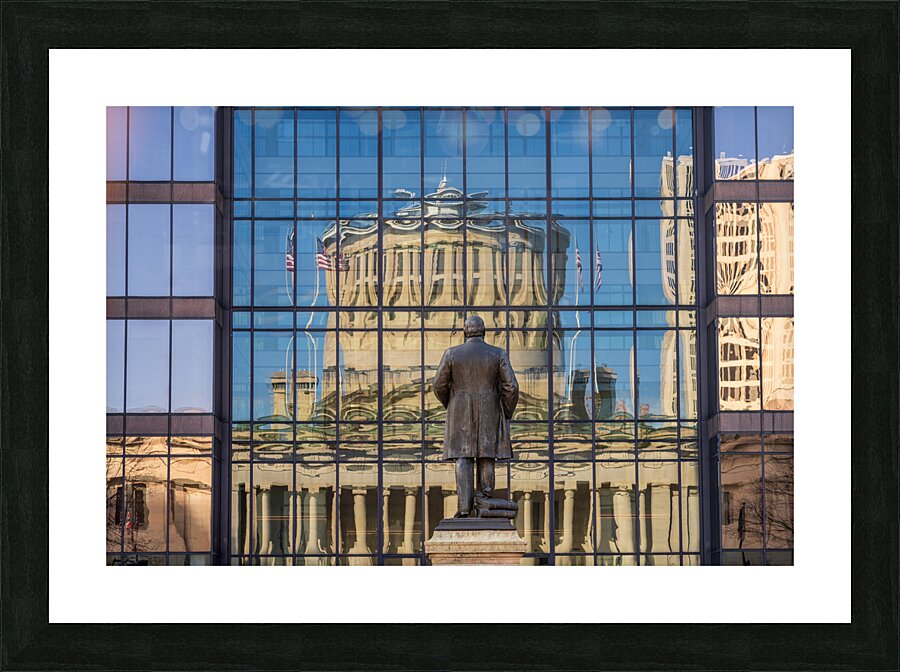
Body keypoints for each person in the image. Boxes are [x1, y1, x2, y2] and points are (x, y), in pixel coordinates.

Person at [432, 315, 519, 517]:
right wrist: (505, 411)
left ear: (465, 332)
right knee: (486, 457)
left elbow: (438, 384)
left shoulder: (452, 354)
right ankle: (485, 501)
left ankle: (464, 509)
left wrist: (452, 403)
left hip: (460, 412)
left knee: (462, 458)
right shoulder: (497, 354)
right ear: (484, 332)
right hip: (489, 411)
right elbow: (511, 387)